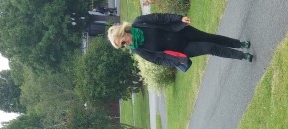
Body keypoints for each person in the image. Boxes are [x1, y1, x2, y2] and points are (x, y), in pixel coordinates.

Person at [107, 13, 252, 72]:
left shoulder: (139, 22)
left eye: (122, 42)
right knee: (210, 47)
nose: (125, 45)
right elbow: (159, 60)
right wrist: (177, 61)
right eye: (122, 46)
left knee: (210, 38)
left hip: (181, 31)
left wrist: (179, 18)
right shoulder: (138, 50)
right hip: (184, 49)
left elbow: (160, 18)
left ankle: (239, 44)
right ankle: (242, 56)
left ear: (123, 33)